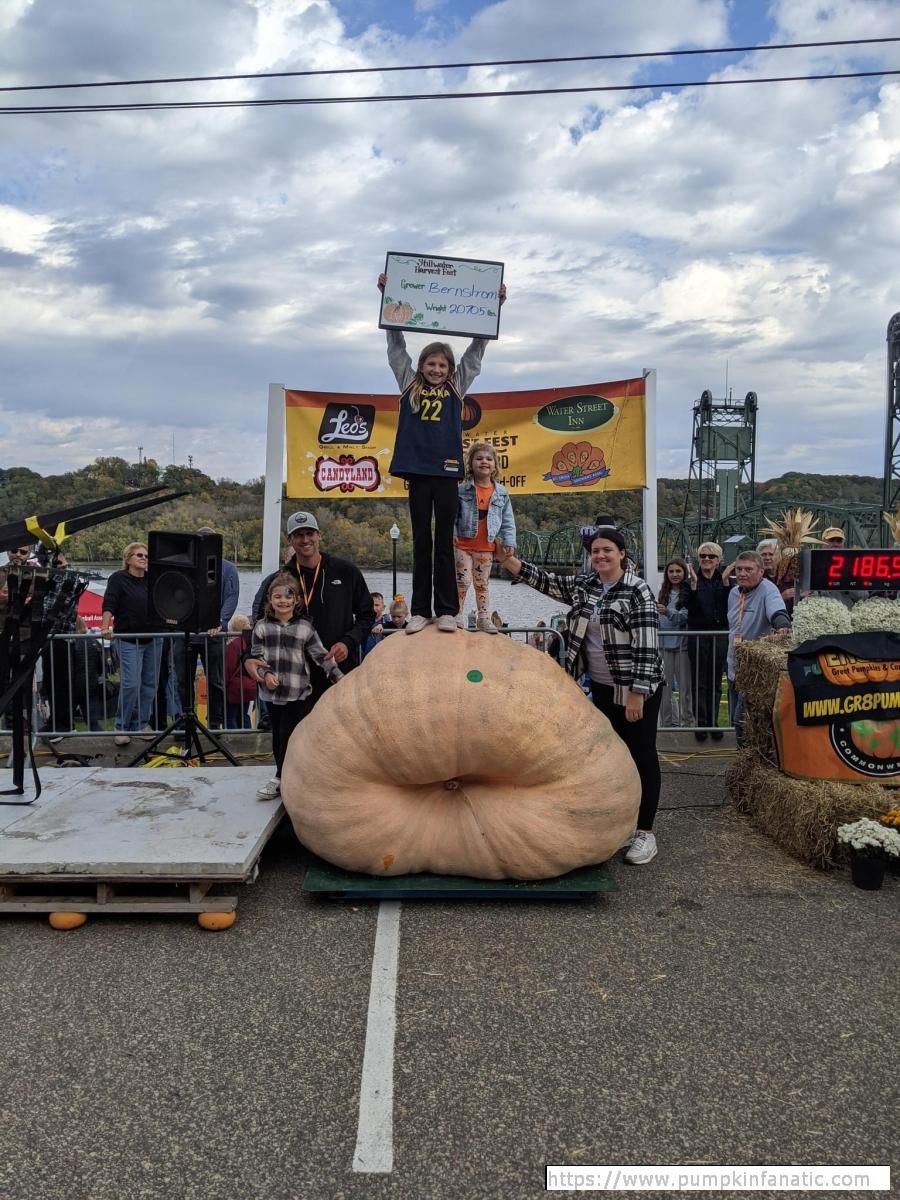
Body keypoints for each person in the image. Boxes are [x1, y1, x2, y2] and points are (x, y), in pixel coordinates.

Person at [496, 526, 665, 865]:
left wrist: (637, 694)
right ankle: (622, 824)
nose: (600, 556)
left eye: (607, 550)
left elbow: (647, 645)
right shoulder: (584, 585)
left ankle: (645, 832)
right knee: (611, 754)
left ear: (622, 554)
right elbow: (543, 580)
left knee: (641, 754)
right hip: (600, 685)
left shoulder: (637, 590)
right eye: (596, 551)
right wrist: (508, 561)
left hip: (634, 686)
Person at [378, 272, 507, 634]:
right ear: (421, 366)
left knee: (444, 543)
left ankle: (447, 610)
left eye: (442, 365)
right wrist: (389, 303)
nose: (436, 370)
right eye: (431, 364)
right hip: (418, 471)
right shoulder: (408, 382)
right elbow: (395, 349)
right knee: (422, 540)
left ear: (449, 370)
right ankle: (420, 610)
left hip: (447, 471)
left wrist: (491, 308)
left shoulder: (456, 386)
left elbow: (475, 352)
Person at [251, 511, 374, 702]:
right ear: (289, 540)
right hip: (291, 678)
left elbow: (367, 615)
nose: (305, 539)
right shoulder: (279, 579)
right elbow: (260, 622)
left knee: (338, 731)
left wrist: (348, 642)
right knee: (291, 733)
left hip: (336, 671)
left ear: (319, 535)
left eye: (310, 533)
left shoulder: (346, 571)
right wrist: (249, 660)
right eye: (299, 535)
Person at [245, 573, 343, 801]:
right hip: (271, 693)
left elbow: (321, 656)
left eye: (288, 597)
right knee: (277, 736)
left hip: (298, 692)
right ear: (270, 600)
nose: (283, 601)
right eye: (277, 597)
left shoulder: (305, 628)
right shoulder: (261, 627)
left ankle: (281, 777)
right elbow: (256, 658)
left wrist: (338, 676)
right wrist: (265, 674)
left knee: (289, 734)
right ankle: (283, 776)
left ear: (296, 600)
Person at [100, 542, 162, 746]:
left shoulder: (152, 580)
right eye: (138, 555)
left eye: (145, 555)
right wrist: (105, 626)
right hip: (128, 639)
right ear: (128, 559)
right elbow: (109, 602)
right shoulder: (118, 579)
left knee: (149, 684)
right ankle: (122, 725)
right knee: (131, 684)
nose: (143, 558)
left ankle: (142, 723)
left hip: (153, 639)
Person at [727, 550, 792, 746]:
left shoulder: (767, 589)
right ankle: (745, 757)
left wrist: (782, 624)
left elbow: (777, 609)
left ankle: (749, 758)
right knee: (736, 720)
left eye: (748, 569)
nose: (742, 574)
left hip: (753, 670)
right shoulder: (733, 592)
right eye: (739, 569)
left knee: (742, 719)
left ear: (761, 571)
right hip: (733, 666)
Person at [454, 441, 516, 633]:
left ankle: (483, 618)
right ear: (471, 463)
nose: (484, 462)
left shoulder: (502, 493)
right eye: (479, 458)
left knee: (482, 584)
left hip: (486, 546)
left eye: (489, 459)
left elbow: (508, 519)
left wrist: (509, 540)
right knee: (462, 581)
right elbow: (452, 515)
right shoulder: (462, 489)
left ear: (495, 466)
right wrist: (452, 535)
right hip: (462, 544)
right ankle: (457, 614)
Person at [685, 542, 729, 742]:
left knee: (715, 681)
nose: (706, 559)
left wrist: (727, 584)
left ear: (718, 560)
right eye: (703, 556)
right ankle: (701, 723)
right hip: (697, 635)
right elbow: (690, 612)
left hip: (719, 635)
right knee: (699, 681)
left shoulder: (725, 581)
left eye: (711, 557)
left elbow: (728, 609)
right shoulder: (691, 582)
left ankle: (714, 723)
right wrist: (693, 587)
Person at [657, 558, 693, 728]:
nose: (674, 575)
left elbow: (685, 616)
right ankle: (666, 722)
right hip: (664, 647)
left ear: (684, 573)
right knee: (665, 689)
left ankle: (687, 722)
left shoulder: (688, 594)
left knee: (685, 688)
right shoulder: (662, 593)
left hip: (682, 648)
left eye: (678, 571)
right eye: (671, 571)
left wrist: (668, 612)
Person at [223, 614, 257, 729]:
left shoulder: (233, 644)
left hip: (235, 687)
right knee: (244, 715)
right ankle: (248, 738)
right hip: (248, 685)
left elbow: (229, 667)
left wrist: (224, 685)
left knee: (230, 715)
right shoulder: (250, 643)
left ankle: (233, 740)